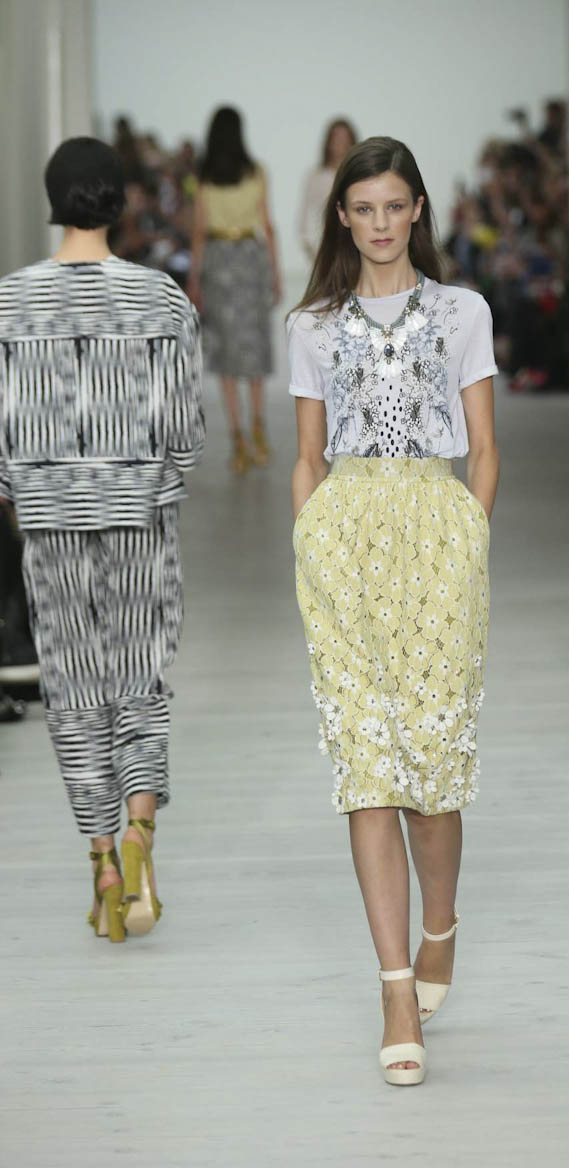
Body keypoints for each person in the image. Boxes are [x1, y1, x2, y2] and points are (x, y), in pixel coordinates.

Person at [287, 136, 499, 1085]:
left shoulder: (461, 311)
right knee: (366, 764)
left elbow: (483, 446)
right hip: (344, 539)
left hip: (436, 532)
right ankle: (395, 987)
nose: (379, 223)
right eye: (362, 208)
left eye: (394, 206)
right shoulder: (312, 324)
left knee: (434, 770)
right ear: (342, 216)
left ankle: (439, 925)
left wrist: (469, 540)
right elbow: (307, 452)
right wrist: (309, 537)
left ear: (418, 210)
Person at [0, 137, 205, 941]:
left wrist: (22, 488)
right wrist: (161, 483)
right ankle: (141, 832)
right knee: (140, 676)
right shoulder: (160, 299)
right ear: (119, 199)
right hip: (136, 509)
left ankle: (102, 863)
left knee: (74, 688)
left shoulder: (11, 302)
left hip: (51, 514)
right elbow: (184, 427)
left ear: (53, 199)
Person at [189, 106, 281, 473]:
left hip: (218, 260)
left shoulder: (204, 176)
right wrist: (275, 273)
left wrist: (194, 279)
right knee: (253, 345)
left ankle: (238, 439)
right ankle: (259, 429)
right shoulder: (256, 171)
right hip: (250, 257)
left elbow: (198, 231)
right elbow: (268, 225)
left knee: (226, 351)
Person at [298, 118, 358, 266]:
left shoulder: (359, 174)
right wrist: (312, 251)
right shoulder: (316, 176)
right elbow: (305, 217)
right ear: (328, 141)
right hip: (324, 250)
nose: (340, 142)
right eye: (336, 137)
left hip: (356, 248)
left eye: (345, 137)